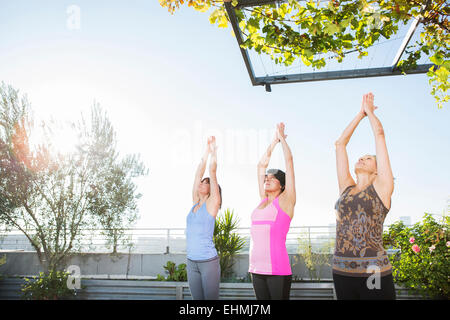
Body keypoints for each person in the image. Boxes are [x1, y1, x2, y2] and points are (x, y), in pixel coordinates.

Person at [333, 92, 396, 300]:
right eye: (361, 157)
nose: (362, 158)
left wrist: (369, 112)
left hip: (372, 270)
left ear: (377, 171)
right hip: (341, 271)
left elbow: (379, 134)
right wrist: (359, 115)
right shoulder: (346, 188)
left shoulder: (382, 187)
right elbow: (340, 144)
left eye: (368, 158)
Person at [249, 122, 296, 300]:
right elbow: (261, 165)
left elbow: (289, 163)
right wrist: (273, 141)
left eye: (273, 178)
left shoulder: (286, 201)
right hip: (255, 268)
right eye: (266, 178)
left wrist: (282, 139)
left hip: (277, 270)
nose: (267, 180)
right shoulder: (262, 200)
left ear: (282, 185)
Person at [186, 136, 222, 300]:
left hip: (208, 262)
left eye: (206, 182)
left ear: (212, 190)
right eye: (202, 181)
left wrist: (214, 152)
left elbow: (212, 172)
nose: (201, 182)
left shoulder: (212, 204)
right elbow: (197, 173)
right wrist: (206, 151)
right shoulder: (195, 203)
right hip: (191, 262)